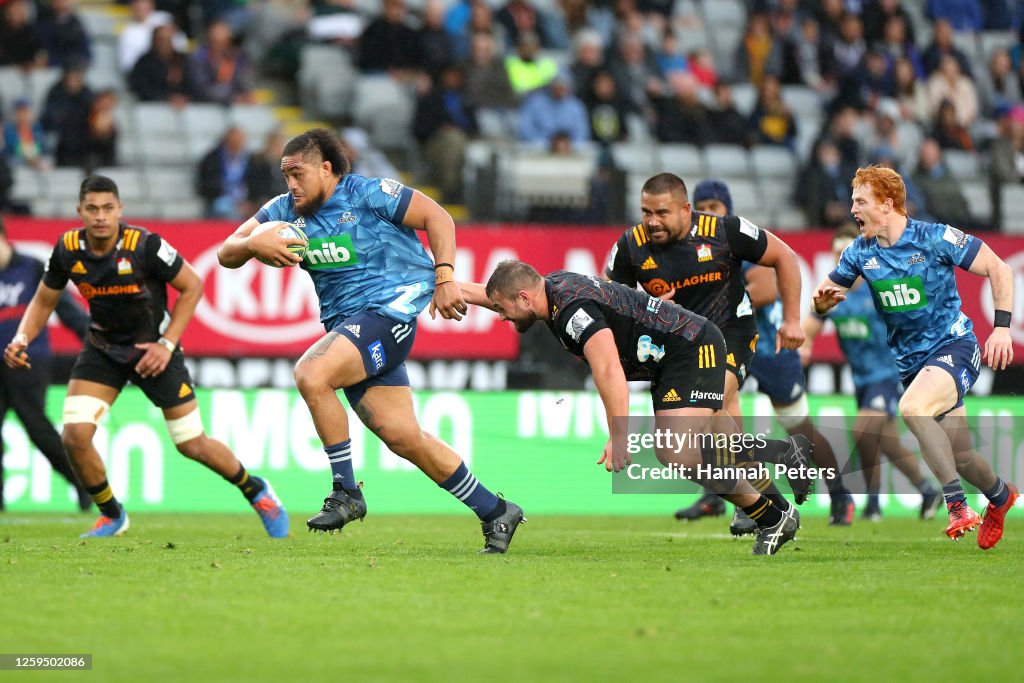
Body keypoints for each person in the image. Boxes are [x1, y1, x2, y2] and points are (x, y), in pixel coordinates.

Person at [216, 128, 525, 554]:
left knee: (311, 373)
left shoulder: (370, 193)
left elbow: (439, 217)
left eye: (297, 173)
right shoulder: (283, 210)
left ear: (327, 169)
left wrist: (445, 275)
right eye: (284, 174)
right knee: (403, 436)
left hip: (389, 313)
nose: (290, 183)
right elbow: (224, 253)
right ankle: (496, 511)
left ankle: (346, 491)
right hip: (350, 328)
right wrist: (252, 242)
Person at [452, 260, 816, 556]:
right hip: (678, 352)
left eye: (502, 309)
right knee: (717, 449)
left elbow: (609, 368)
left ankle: (769, 517)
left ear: (524, 298)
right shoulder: (549, 288)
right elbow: (490, 295)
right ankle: (783, 459)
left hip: (688, 350)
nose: (500, 316)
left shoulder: (573, 312)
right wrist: (441, 281)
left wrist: (619, 435)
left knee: (677, 453)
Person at [3, 175, 289, 538]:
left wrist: (167, 344)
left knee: (191, 444)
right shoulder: (68, 248)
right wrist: (23, 337)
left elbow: (193, 286)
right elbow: (45, 298)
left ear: (119, 209)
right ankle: (112, 514)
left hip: (155, 347)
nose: (101, 216)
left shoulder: (145, 245)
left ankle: (256, 491)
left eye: (108, 208)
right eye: (92, 209)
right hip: (103, 349)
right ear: (80, 212)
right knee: (75, 436)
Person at [812, 165, 1017, 548]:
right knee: (963, 456)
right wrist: (822, 305)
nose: (852, 209)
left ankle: (956, 505)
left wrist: (1002, 328)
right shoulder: (859, 252)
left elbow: (999, 268)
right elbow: (825, 295)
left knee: (912, 409)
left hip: (955, 345)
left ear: (887, 204)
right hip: (911, 364)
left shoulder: (935, 237)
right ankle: (1002, 497)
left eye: (860, 201)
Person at [664, 178, 855, 529]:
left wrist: (709, 304)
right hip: (727, 351)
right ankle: (733, 497)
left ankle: (840, 491)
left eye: (715, 208)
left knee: (800, 427)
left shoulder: (739, 244)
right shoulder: (691, 251)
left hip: (769, 349)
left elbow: (766, 289)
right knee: (716, 412)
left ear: (728, 210)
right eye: (702, 207)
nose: (708, 214)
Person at [801, 225, 941, 521]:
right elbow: (811, 325)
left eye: (845, 252)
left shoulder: (878, 288)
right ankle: (927, 491)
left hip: (888, 373)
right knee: (885, 442)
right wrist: (803, 346)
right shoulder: (833, 296)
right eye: (836, 254)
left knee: (862, 431)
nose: (842, 259)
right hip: (862, 379)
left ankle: (873, 504)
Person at [0, 218, 91, 512]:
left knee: (37, 428)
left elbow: (63, 307)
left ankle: (82, 482)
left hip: (28, 361)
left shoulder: (32, 268)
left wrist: (95, 340)